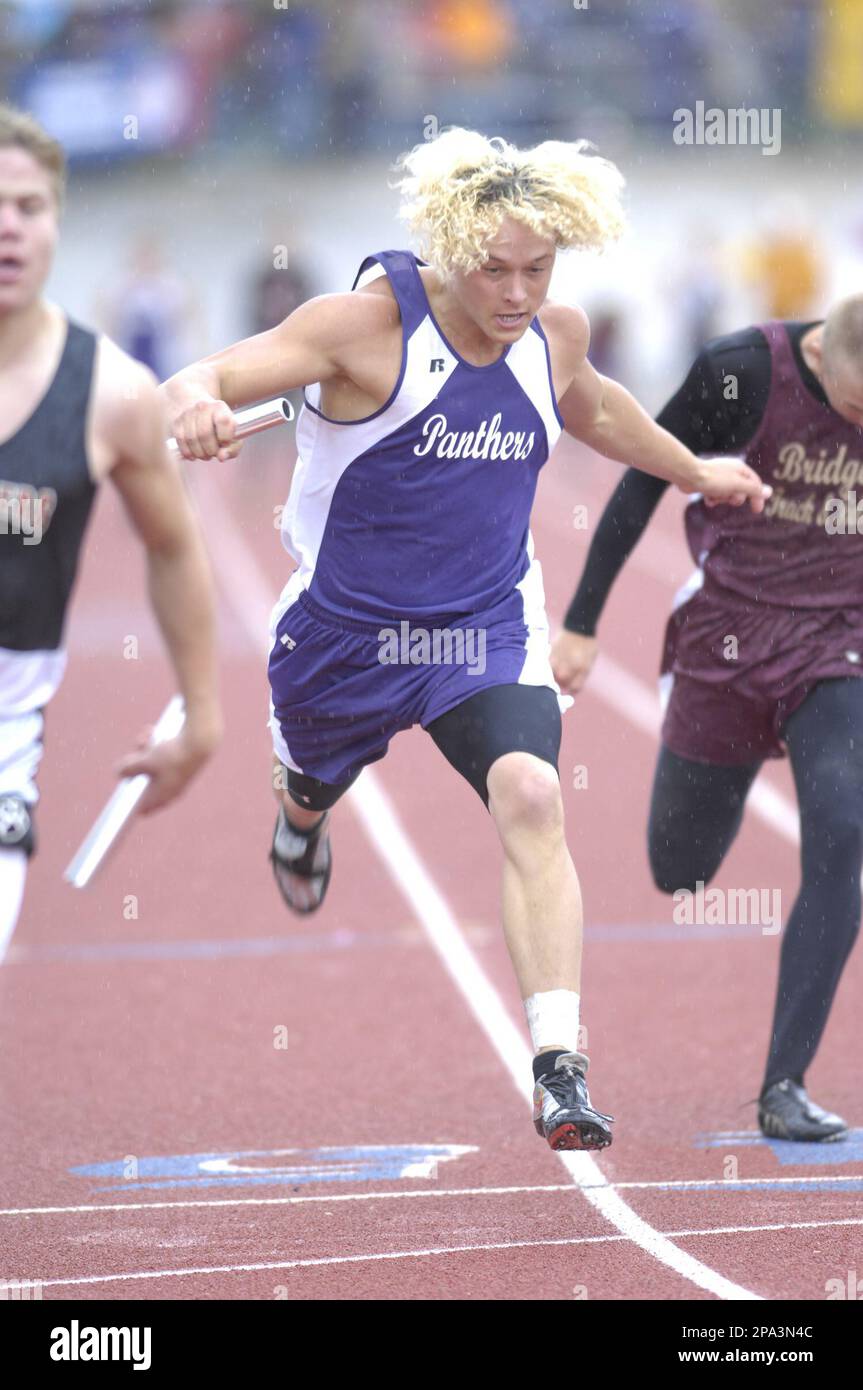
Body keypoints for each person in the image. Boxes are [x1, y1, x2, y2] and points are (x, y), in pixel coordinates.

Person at [161, 126, 766, 1152]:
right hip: (343, 640)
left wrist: (692, 469)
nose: (518, 292)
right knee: (307, 785)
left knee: (530, 792)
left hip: (481, 627)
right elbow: (203, 375)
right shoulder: (359, 329)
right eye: (495, 269)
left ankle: (557, 1066)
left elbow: (598, 409)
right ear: (447, 248)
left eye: (537, 268)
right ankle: (302, 816)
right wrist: (194, 408)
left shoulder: (551, 336)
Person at [553, 299, 863, 1142]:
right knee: (678, 868)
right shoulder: (743, 371)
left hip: (839, 641)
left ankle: (783, 1086)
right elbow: (641, 474)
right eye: (856, 406)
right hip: (727, 633)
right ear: (823, 360)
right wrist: (582, 620)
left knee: (842, 832)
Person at [0, 104, 222, 954]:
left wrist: (200, 718)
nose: (10, 227)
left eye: (30, 206)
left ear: (57, 222)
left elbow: (171, 545)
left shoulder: (111, 396)